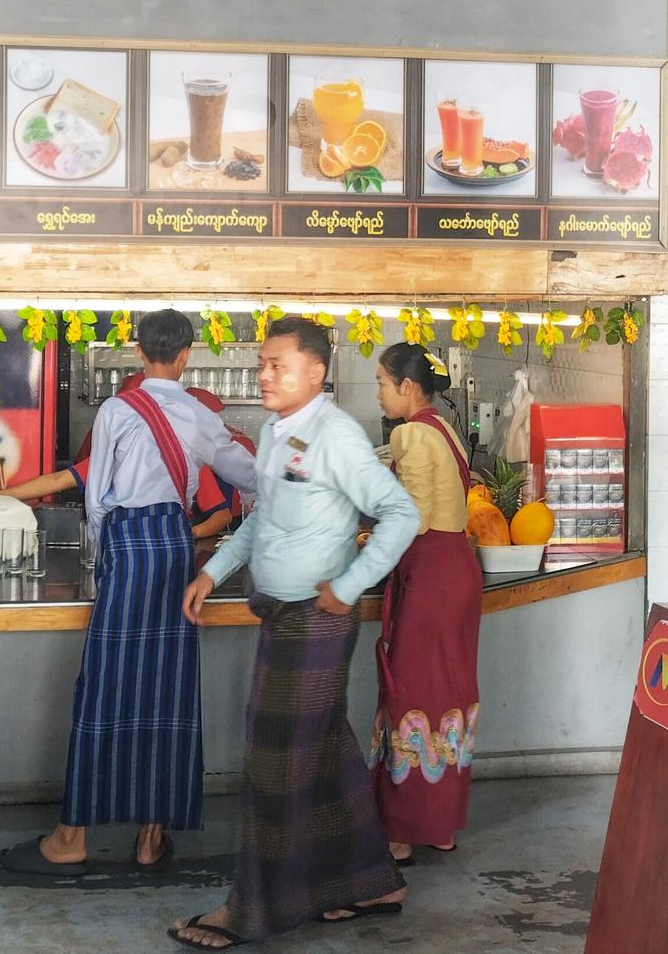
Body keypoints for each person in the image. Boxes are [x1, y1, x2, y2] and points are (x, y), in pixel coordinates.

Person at [168, 317, 421, 949]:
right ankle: (372, 882)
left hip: (317, 617)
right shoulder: (274, 434)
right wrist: (215, 568)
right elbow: (262, 520)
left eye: (277, 365)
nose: (263, 375)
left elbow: (401, 512)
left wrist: (352, 581)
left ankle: (252, 908)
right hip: (280, 614)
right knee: (325, 752)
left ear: (316, 372)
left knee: (273, 764)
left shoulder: (336, 436)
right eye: (261, 363)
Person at [0, 309, 257, 876]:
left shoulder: (117, 410)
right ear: (188, 355)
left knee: (106, 685)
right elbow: (250, 476)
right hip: (172, 546)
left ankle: (72, 837)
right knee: (168, 687)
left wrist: (108, 544)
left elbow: (97, 499)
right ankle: (150, 838)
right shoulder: (197, 412)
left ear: (139, 354)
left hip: (125, 547)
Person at [369, 342, 482, 866]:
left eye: (382, 384)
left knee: (410, 693)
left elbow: (409, 518)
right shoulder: (445, 428)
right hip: (459, 568)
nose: (379, 393)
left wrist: (365, 547)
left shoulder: (409, 431)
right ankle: (440, 825)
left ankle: (403, 829)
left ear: (407, 388)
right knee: (450, 693)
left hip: (431, 575)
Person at [0, 376, 254, 542]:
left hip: (173, 550)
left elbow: (221, 516)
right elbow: (57, 480)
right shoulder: (112, 456)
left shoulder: (189, 458)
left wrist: (184, 535)